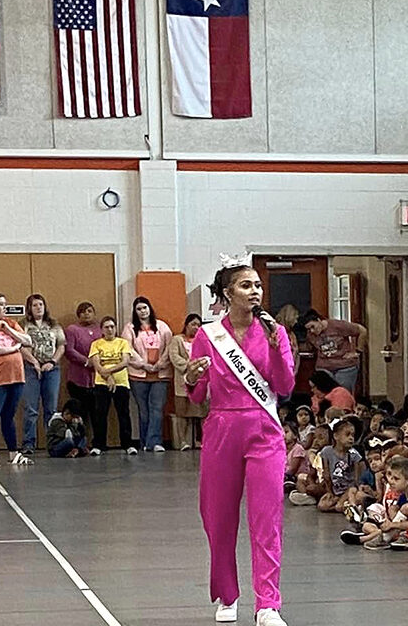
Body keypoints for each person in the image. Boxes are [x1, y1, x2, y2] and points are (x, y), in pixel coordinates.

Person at [183, 260, 296, 626]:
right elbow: (198, 394)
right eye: (246, 285)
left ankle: (268, 604)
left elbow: (285, 387)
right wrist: (190, 376)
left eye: (258, 285)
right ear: (227, 293)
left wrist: (279, 347)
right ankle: (227, 595)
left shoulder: (274, 331)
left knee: (267, 519)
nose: (256, 291)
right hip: (222, 429)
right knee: (218, 517)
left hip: (264, 429)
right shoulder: (208, 335)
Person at [122, 296, 173, 452]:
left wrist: (159, 364)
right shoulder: (129, 328)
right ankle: (144, 442)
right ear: (135, 311)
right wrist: (143, 365)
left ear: (149, 308)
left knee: (157, 408)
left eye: (144, 308)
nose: (142, 311)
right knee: (144, 411)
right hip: (138, 375)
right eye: (139, 309)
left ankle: (155, 442)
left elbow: (170, 347)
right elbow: (128, 349)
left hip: (161, 374)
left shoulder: (162, 326)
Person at [20, 293, 65, 455]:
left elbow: (61, 346)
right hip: (31, 368)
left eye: (40, 305)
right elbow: (20, 346)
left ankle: (52, 442)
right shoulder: (24, 325)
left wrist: (52, 362)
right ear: (29, 309)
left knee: (51, 408)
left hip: (51, 369)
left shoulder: (54, 325)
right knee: (31, 408)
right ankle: (28, 443)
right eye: (34, 305)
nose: (38, 308)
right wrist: (34, 362)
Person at [0, 292, 34, 466]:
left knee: (8, 415)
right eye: (1, 304)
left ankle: (13, 452)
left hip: (16, 377)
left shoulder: (10, 323)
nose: (4, 307)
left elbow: (28, 340)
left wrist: (7, 330)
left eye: (5, 304)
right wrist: (14, 348)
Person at [88, 316, 134, 456]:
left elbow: (125, 362)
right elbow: (97, 365)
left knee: (124, 414)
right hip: (101, 383)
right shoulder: (96, 344)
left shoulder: (123, 343)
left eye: (112, 326)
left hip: (121, 382)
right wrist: (108, 378)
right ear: (102, 329)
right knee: (100, 414)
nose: (110, 329)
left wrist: (109, 373)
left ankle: (127, 444)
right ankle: (99, 445)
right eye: (106, 327)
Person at [302, 309, 367, 393]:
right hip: (324, 367)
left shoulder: (337, 325)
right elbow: (309, 347)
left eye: (313, 326)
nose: (312, 331)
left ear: (318, 320)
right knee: (323, 394)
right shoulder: (310, 335)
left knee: (342, 394)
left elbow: (362, 331)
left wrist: (358, 351)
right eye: (308, 329)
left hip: (344, 366)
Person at [168, 313, 206, 451]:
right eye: (193, 324)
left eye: (198, 325)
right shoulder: (177, 340)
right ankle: (183, 441)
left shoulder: (203, 340)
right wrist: (189, 366)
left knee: (203, 412)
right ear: (186, 325)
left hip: (201, 379)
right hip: (182, 380)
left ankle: (203, 440)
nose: (196, 327)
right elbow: (174, 356)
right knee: (182, 412)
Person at [64, 302, 101, 441]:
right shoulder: (72, 329)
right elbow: (69, 350)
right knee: (79, 413)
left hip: (97, 378)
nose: (86, 314)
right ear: (78, 314)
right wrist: (86, 361)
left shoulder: (99, 329)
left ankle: (98, 442)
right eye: (83, 311)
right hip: (77, 378)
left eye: (90, 311)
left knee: (97, 413)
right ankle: (79, 442)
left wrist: (97, 362)